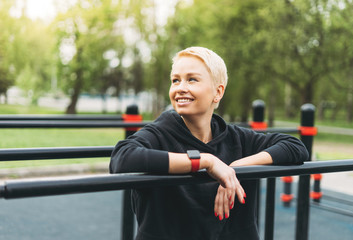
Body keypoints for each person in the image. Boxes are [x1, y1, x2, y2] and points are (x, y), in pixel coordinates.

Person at [110, 46, 309, 240]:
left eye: (192, 80)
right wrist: (206, 162)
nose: (180, 88)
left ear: (218, 92)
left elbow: (295, 146)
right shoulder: (159, 133)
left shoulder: (235, 137)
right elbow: (122, 158)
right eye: (175, 80)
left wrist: (234, 168)